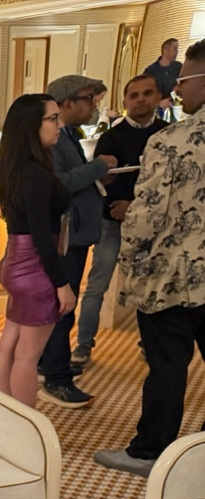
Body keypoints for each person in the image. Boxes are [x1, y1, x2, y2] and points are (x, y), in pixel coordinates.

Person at [95, 41, 205, 477]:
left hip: (174, 276)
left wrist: (131, 265)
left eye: (183, 80)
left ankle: (150, 452)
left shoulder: (171, 140)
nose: (176, 89)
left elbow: (147, 215)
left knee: (167, 365)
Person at [72, 75, 168, 369]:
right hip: (111, 220)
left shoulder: (167, 135)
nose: (140, 100)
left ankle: (148, 343)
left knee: (150, 285)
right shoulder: (111, 137)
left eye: (147, 93)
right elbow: (103, 180)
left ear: (157, 97)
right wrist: (120, 206)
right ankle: (83, 344)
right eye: (134, 95)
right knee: (97, 284)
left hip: (151, 226)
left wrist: (134, 207)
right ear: (125, 101)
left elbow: (167, 184)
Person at [37, 75, 119, 408]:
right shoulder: (53, 139)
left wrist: (96, 175)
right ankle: (56, 378)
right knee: (62, 307)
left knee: (62, 306)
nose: (94, 104)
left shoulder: (69, 134)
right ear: (68, 103)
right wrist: (97, 167)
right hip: (66, 236)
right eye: (89, 98)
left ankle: (49, 362)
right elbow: (60, 183)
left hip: (77, 233)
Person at [0, 94, 75, 407]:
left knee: (10, 346)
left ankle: (5, 416)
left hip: (15, 261)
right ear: (31, 126)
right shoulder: (35, 174)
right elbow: (42, 236)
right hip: (35, 267)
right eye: (52, 118)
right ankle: (25, 424)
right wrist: (62, 283)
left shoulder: (15, 167)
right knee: (27, 355)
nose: (60, 124)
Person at [145, 38, 182, 116]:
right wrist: (158, 103)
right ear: (166, 50)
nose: (177, 51)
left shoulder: (179, 66)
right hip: (159, 111)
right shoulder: (150, 71)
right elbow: (145, 93)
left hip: (178, 108)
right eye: (175, 49)